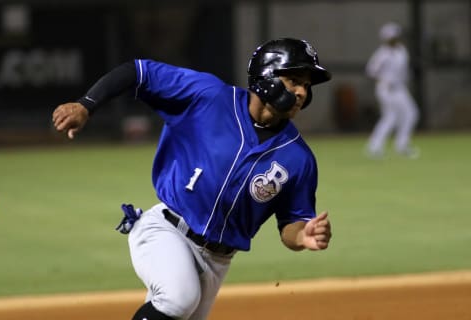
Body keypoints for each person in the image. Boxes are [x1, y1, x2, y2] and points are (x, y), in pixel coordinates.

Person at [52, 38, 333, 320]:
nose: (301, 93)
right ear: (266, 77)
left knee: (176, 305)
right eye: (294, 80)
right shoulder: (208, 96)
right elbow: (138, 72)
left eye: (307, 86)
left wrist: (303, 235)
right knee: (178, 299)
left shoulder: (299, 158)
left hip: (218, 261)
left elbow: (291, 224)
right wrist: (86, 104)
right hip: (167, 230)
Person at [365, 22, 420, 159]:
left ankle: (401, 145)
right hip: (387, 89)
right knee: (390, 117)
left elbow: (404, 70)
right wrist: (383, 80)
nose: (394, 39)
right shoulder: (382, 54)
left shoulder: (401, 50)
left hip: (400, 88)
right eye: (391, 37)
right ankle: (374, 147)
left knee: (411, 114)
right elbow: (371, 70)